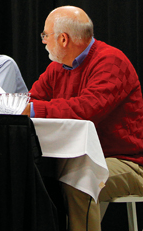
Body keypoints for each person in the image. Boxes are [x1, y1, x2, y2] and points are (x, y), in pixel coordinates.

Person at [22, 6, 143, 231]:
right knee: (35, 175)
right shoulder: (57, 67)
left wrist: (34, 109)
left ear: (63, 39)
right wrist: (25, 106)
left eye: (45, 36)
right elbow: (32, 98)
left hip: (128, 161)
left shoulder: (111, 62)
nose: (43, 41)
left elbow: (87, 109)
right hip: (76, 156)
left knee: (79, 183)